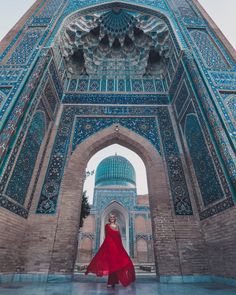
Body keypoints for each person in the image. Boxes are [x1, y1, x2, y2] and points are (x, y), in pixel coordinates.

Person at [85, 213, 135, 288]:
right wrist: (110, 246)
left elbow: (119, 237)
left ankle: (114, 281)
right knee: (112, 264)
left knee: (117, 264)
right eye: (111, 217)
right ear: (109, 218)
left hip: (117, 246)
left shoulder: (117, 226)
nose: (112, 218)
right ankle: (110, 281)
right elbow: (107, 236)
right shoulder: (107, 226)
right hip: (110, 246)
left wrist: (120, 247)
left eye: (113, 217)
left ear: (115, 218)